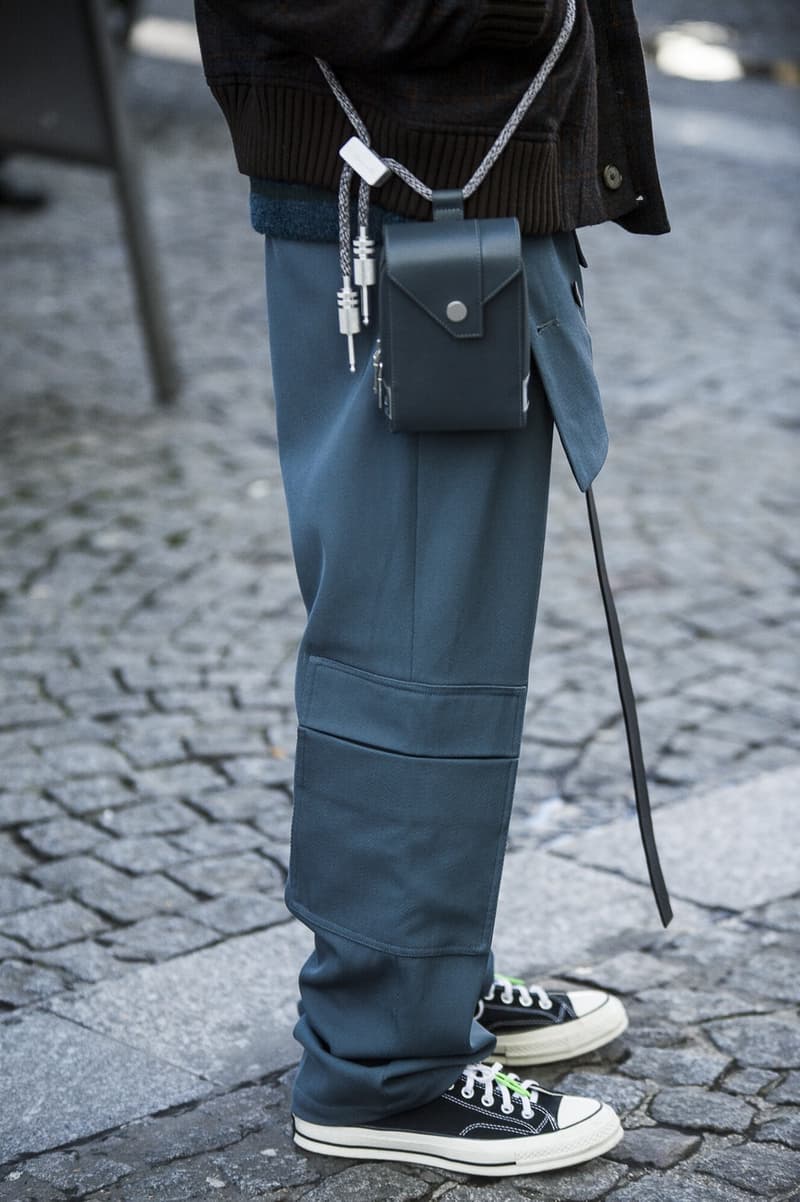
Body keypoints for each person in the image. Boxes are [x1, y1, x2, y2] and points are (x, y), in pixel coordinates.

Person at [193, 0, 669, 1179]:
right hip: (395, 189)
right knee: (407, 633)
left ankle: (422, 977)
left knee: (439, 626)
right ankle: (383, 1059)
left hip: (448, 173)